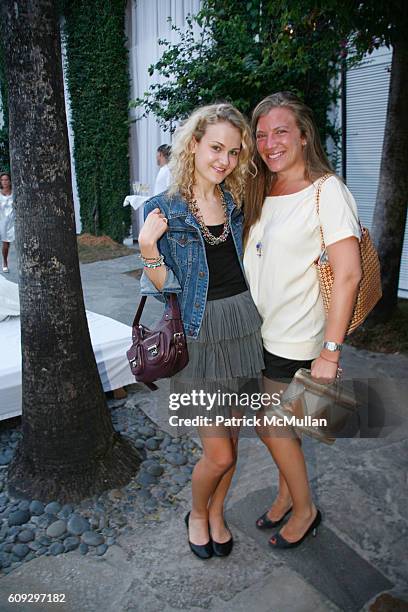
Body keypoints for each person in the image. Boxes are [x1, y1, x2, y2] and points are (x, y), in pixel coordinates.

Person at [138, 103, 264, 559]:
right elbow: (161, 289)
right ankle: (196, 512)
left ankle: (216, 513)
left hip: (243, 327)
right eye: (216, 148)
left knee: (230, 441)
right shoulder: (164, 208)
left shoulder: (235, 200)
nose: (224, 160)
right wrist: (149, 247)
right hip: (198, 334)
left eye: (233, 152)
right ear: (193, 144)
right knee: (220, 454)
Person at [243, 92, 362, 548]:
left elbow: (348, 274)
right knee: (282, 427)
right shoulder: (262, 188)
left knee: (270, 425)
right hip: (259, 329)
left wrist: (330, 354)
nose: (270, 142)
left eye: (281, 131)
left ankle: (306, 508)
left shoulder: (326, 190)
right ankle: (286, 494)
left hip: (295, 336)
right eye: (261, 134)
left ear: (304, 135)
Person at [0, 172, 15, 274]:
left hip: (15, 221)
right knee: (6, 244)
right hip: (4, 222)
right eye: (2, 180)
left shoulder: (15, 192)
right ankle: (5, 262)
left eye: (6, 180)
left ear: (10, 181)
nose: (4, 182)